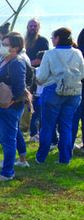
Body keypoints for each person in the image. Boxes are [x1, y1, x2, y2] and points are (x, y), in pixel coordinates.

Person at [35, 27, 84, 165]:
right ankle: (65, 159)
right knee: (66, 126)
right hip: (73, 92)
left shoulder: (50, 54)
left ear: (57, 39)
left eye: (53, 38)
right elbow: (82, 73)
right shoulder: (78, 53)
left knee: (48, 126)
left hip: (53, 91)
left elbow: (43, 76)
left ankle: (41, 157)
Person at [0, 32, 32, 181]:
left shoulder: (17, 63)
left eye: (6, 45)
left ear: (16, 48)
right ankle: (16, 162)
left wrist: (8, 103)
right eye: (3, 43)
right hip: (0, 108)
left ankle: (7, 172)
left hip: (8, 108)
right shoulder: (4, 61)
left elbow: (20, 88)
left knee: (8, 139)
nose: (2, 47)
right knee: (9, 136)